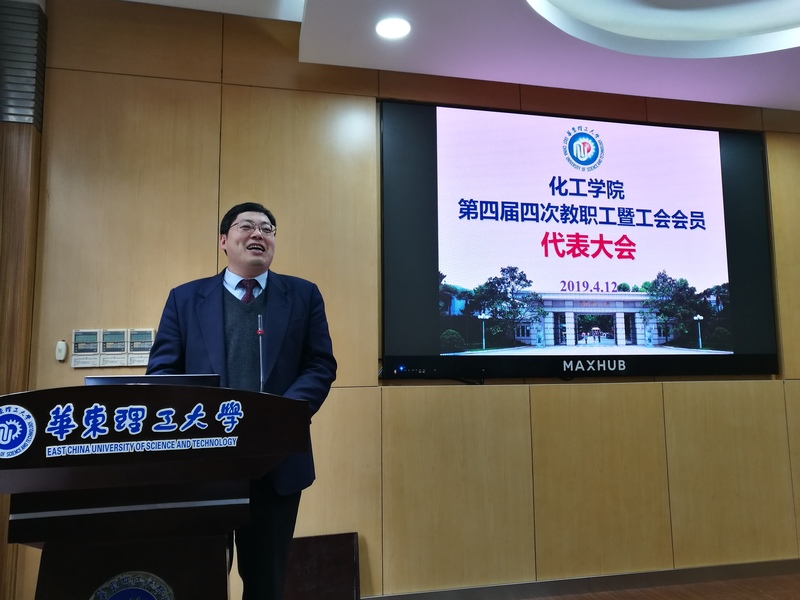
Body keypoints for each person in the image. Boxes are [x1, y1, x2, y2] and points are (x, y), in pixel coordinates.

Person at [146, 202, 337, 600]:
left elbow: (319, 365)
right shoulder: (185, 299)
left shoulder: (302, 295)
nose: (258, 234)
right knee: (198, 577)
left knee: (266, 582)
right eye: (246, 226)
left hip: (276, 463)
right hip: (203, 463)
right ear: (223, 240)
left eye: (267, 228)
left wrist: (280, 416)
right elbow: (162, 372)